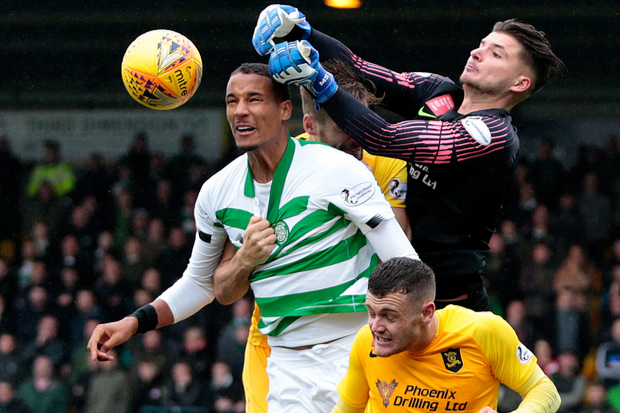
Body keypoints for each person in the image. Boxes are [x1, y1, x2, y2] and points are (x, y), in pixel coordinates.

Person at [88, 63, 418, 413]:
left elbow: (404, 264)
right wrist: (134, 321)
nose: (240, 111)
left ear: (284, 110)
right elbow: (200, 284)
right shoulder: (217, 193)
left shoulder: (336, 168)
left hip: (354, 348)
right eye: (232, 101)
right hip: (286, 365)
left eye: (254, 99)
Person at [254, 5, 566, 310]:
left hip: (449, 305)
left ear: (519, 83)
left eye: (496, 53)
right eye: (481, 45)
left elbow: (383, 138)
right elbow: (358, 68)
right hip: (396, 296)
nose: (476, 53)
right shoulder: (437, 90)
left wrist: (319, 82)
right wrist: (301, 31)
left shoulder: (493, 134)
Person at [239, 59, 411, 413]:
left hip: (350, 329)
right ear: (310, 127)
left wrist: (361, 193)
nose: (359, 141)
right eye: (346, 133)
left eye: (364, 127)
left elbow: (399, 255)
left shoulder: (386, 159)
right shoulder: (279, 164)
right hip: (277, 338)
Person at [329, 256, 560, 413]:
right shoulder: (365, 342)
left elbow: (545, 390)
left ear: (427, 312)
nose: (375, 327)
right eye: (371, 313)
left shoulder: (483, 332)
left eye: (390, 316)